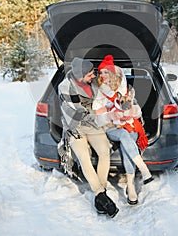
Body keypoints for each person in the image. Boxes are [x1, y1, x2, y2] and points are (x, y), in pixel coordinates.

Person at [58, 57, 119, 217]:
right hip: (75, 127)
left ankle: (101, 193)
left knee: (105, 152)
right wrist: (97, 113)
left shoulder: (92, 84)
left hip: (92, 125)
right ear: (80, 75)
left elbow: (103, 99)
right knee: (84, 158)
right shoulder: (65, 86)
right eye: (91, 74)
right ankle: (101, 194)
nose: (94, 77)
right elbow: (76, 113)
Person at [92, 55, 153, 205]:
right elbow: (95, 116)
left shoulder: (127, 89)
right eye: (101, 73)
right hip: (111, 127)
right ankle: (143, 169)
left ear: (113, 73)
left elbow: (138, 111)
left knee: (127, 140)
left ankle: (130, 185)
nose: (103, 76)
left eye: (106, 72)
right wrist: (111, 115)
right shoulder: (100, 92)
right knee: (125, 135)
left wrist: (131, 111)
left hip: (128, 125)